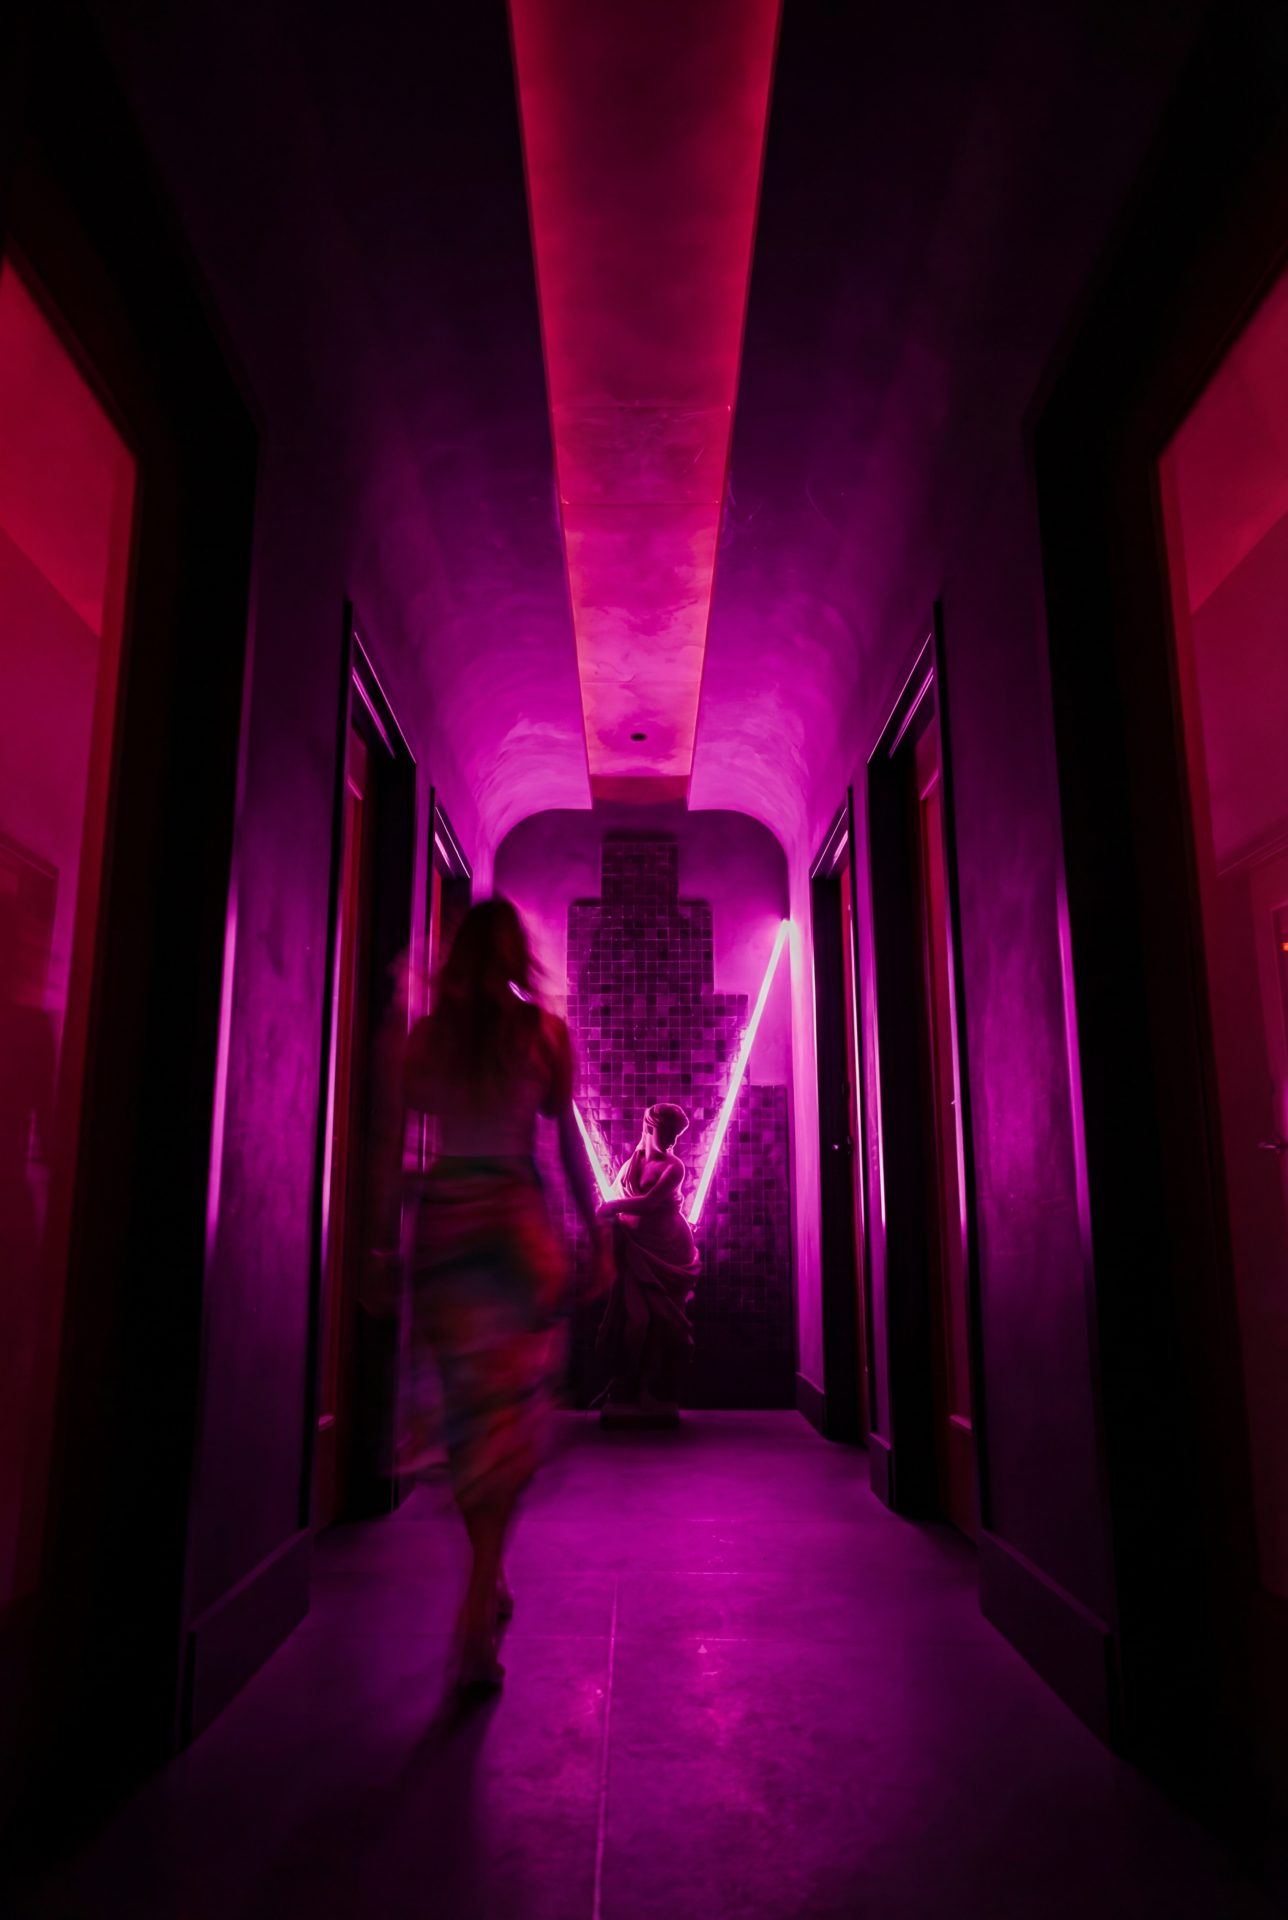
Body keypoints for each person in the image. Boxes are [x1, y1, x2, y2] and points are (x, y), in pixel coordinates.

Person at [402, 898, 611, 1689]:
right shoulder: (546, 1035)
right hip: (516, 1231)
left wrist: (381, 1241)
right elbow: (568, 1146)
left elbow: (401, 1133)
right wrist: (598, 1235)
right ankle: (477, 1598)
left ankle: (484, 1580)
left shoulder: (429, 1039)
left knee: (468, 1412)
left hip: (449, 1226)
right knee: (511, 1414)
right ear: (520, 956)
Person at [595, 1103, 700, 1413]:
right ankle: (625, 1381)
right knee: (637, 1319)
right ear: (650, 1128)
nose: (673, 1140)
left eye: (676, 1134)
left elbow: (650, 1203)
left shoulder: (674, 1167)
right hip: (636, 1249)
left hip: (669, 1251)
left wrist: (613, 1207)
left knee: (663, 1322)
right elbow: (619, 1193)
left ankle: (649, 1388)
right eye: (669, 1132)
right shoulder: (633, 1163)